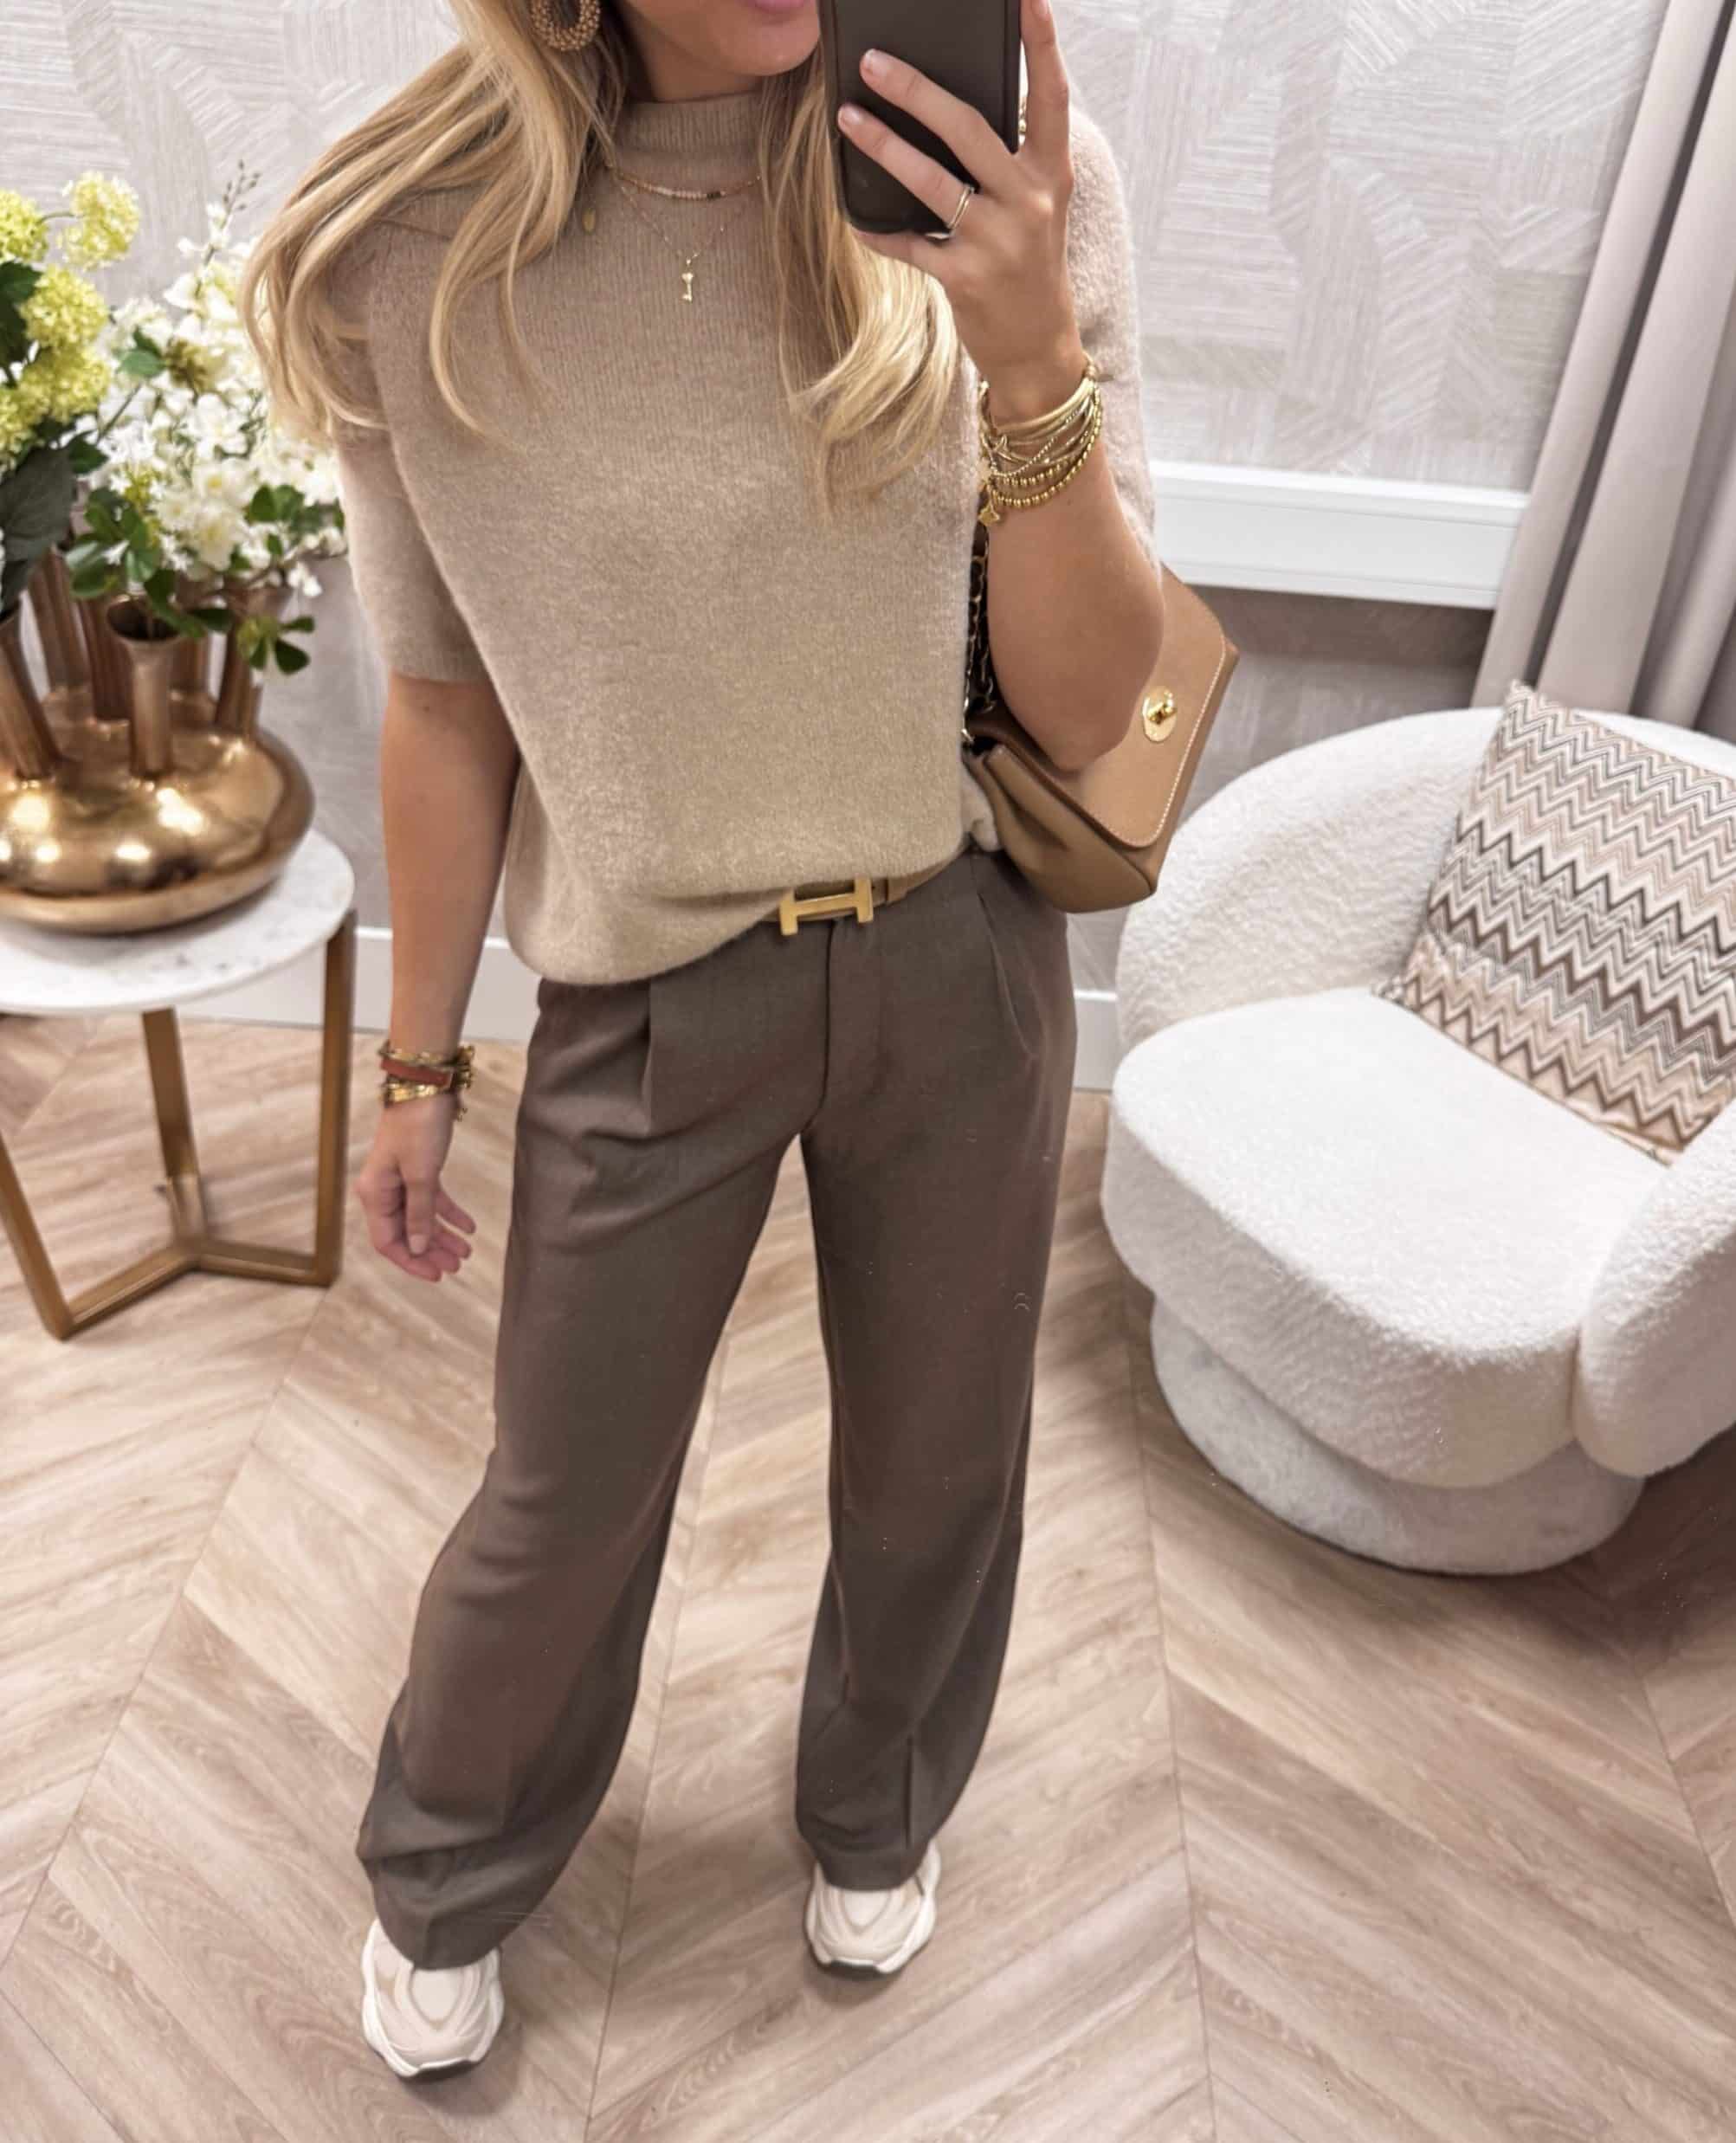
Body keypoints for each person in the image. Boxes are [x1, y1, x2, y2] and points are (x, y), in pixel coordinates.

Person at [242, 0, 1164, 2083]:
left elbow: (1098, 703)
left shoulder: (1004, 186)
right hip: (646, 983)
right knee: (561, 1494)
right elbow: (445, 698)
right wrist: (413, 1071)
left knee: (942, 1456)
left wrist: (1032, 360)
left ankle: (878, 1802)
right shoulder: (405, 250)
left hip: (957, 949)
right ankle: (446, 1866)